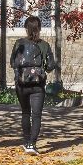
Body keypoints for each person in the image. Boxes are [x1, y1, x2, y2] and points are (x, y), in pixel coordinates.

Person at [10, 14, 57, 155]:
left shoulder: (19, 43)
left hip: (22, 84)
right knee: (36, 115)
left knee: (25, 112)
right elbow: (50, 66)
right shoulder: (44, 45)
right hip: (38, 86)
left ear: (26, 28)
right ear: (40, 28)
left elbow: (13, 63)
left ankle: (26, 141)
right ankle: (32, 143)